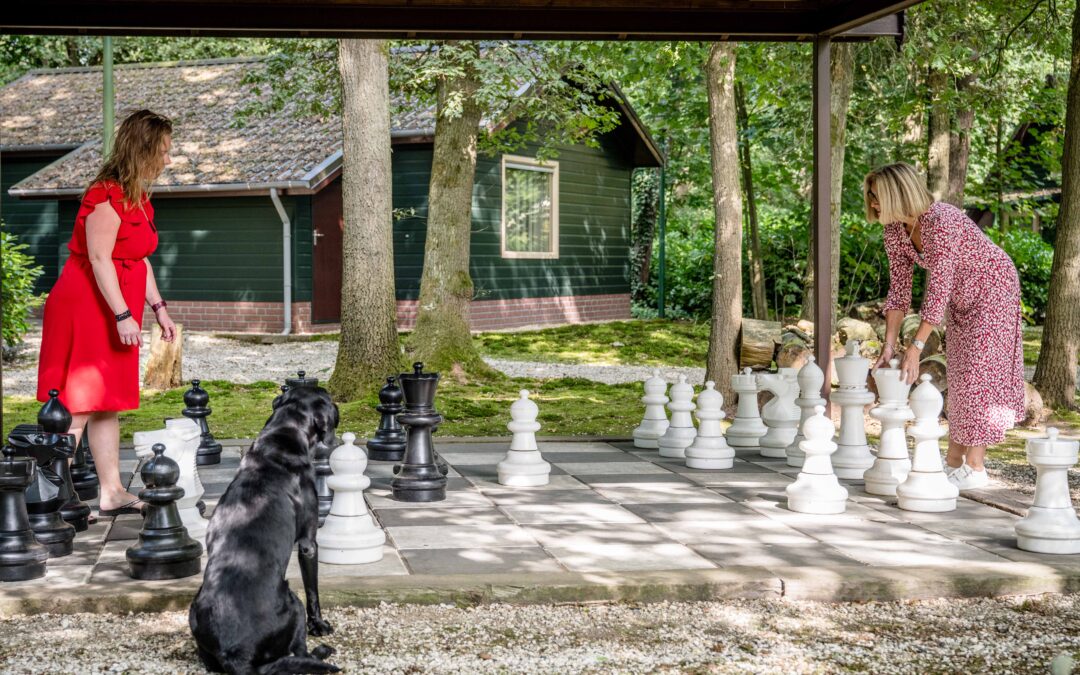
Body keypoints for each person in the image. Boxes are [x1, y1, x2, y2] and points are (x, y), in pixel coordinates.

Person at [37, 109, 177, 517]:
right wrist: (121, 314)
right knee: (79, 401)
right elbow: (99, 258)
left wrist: (158, 309)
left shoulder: (139, 197)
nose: (168, 160)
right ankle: (45, 497)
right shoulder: (105, 194)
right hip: (88, 305)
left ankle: (112, 491)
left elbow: (140, 259)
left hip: (118, 306)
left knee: (106, 402)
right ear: (143, 149)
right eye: (164, 151)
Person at [864, 162, 1024, 490]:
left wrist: (917, 346)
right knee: (960, 374)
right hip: (960, 297)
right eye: (870, 196)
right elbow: (899, 290)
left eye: (877, 195)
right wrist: (890, 345)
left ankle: (975, 467)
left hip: (994, 288)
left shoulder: (942, 220)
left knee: (979, 374)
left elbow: (938, 287)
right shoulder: (894, 230)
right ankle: (953, 461)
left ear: (898, 193)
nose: (872, 202)